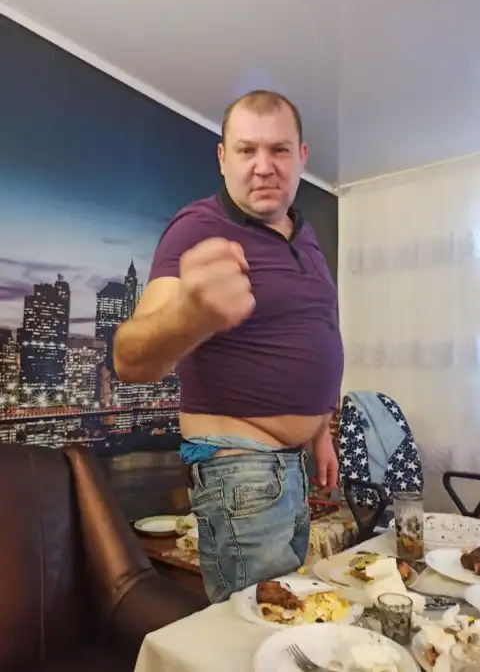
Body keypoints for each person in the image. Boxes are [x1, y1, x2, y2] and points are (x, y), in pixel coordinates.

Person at [113, 90, 344, 603]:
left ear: (302, 156)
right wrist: (189, 314)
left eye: (279, 150)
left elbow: (319, 331)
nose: (264, 166)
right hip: (241, 469)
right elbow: (128, 361)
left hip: (290, 465)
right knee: (258, 633)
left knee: (288, 625)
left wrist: (321, 433)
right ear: (223, 158)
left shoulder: (306, 238)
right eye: (246, 150)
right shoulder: (197, 227)